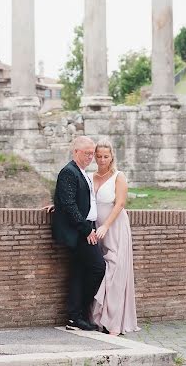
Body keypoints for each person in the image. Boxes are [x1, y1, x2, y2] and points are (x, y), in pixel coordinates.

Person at [51, 136, 106, 332]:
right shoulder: (68, 172)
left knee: (78, 273)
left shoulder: (81, 172)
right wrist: (86, 229)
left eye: (92, 154)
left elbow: (72, 199)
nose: (91, 157)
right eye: (87, 153)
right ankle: (79, 314)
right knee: (98, 268)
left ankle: (75, 318)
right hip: (80, 232)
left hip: (84, 228)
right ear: (76, 152)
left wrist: (56, 204)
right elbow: (69, 204)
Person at [91, 137, 139, 335]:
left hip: (115, 227)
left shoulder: (119, 176)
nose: (102, 159)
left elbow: (119, 204)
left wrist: (106, 226)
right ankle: (100, 317)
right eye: (99, 156)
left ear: (112, 157)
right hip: (95, 227)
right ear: (94, 156)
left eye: (106, 156)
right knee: (101, 269)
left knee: (115, 271)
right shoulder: (89, 175)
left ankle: (114, 322)